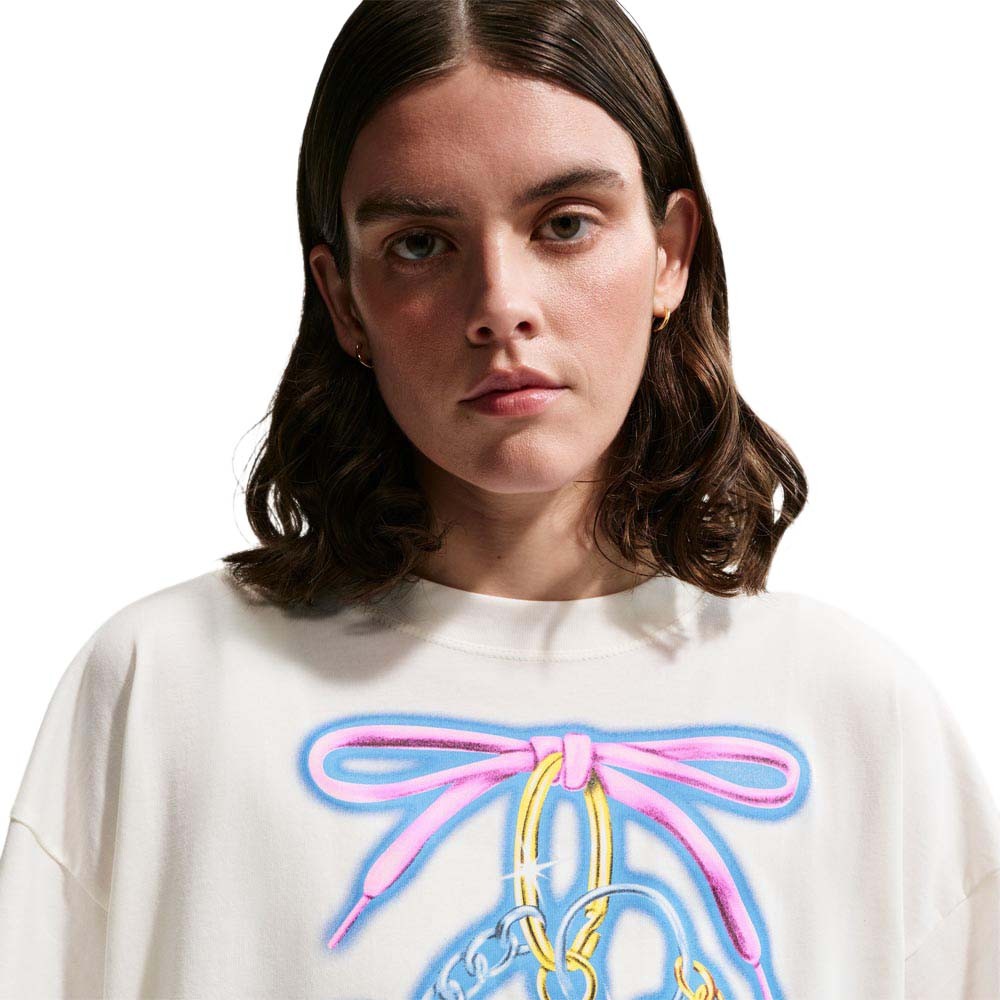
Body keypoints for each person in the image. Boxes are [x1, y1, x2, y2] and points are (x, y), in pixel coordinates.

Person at [2, 1, 998, 997]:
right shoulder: (167, 691)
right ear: (343, 298)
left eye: (564, 225)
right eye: (420, 244)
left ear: (669, 253)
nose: (500, 305)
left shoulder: (859, 719)